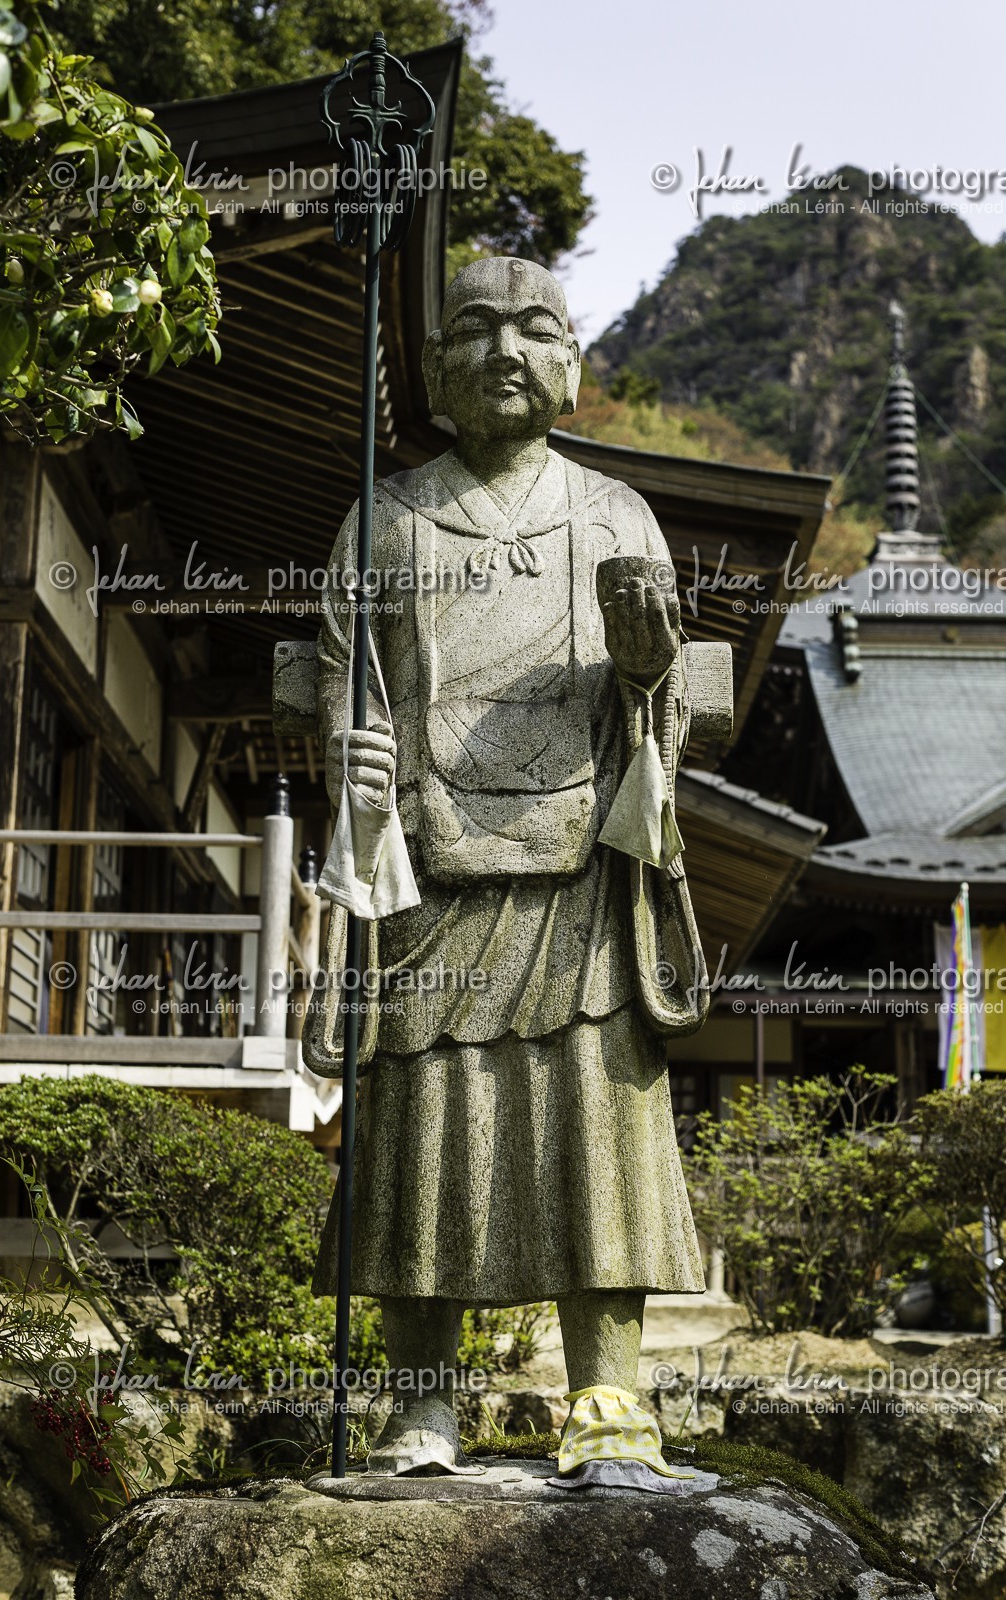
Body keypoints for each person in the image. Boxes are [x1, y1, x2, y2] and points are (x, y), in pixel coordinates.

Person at [312, 256, 710, 1486]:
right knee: (422, 1125)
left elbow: (663, 701)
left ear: (570, 366)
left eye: (535, 329)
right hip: (428, 868)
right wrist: (347, 748)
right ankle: (421, 1404)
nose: (503, 351)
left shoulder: (614, 514)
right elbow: (339, 671)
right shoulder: (386, 516)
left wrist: (645, 668)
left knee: (597, 1122)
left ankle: (608, 1397)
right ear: (434, 373)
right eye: (474, 330)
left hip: (580, 872)